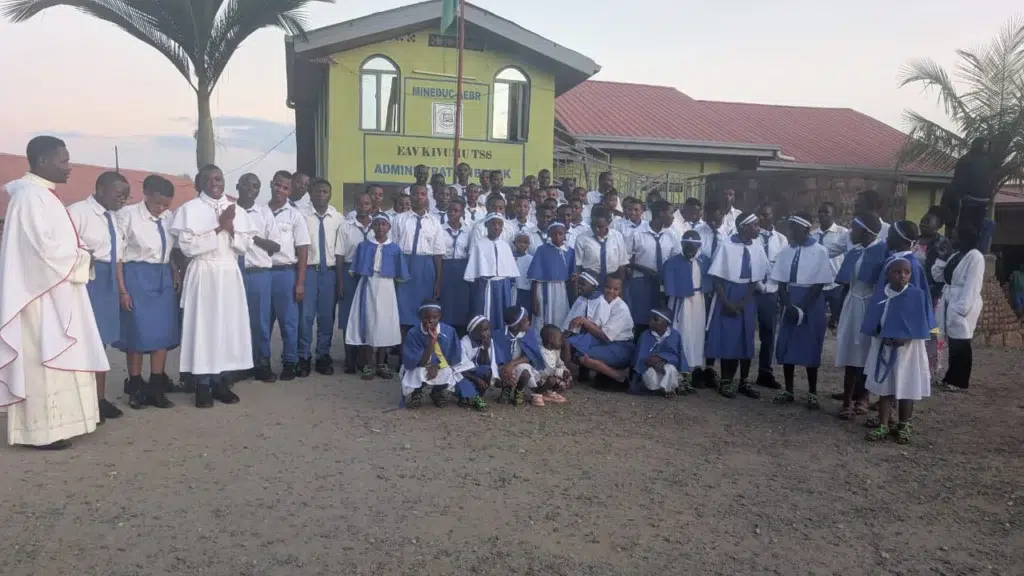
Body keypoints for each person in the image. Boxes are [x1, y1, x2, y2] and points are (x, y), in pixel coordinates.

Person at [0, 136, 109, 449]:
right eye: (63, 160)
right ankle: (40, 432)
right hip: (39, 296)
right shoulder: (28, 197)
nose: (69, 166)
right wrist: (82, 257)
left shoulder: (44, 195)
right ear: (43, 161)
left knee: (62, 356)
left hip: (59, 290)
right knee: (42, 360)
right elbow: (42, 251)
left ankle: (65, 424)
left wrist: (80, 253)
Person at [170, 164, 255, 407]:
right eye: (209, 180)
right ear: (200, 183)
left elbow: (245, 245)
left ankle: (221, 382)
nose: (215, 183)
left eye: (218, 179)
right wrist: (220, 226)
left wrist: (231, 227)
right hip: (204, 271)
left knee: (227, 327)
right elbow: (187, 247)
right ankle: (202, 384)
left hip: (228, 271)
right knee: (204, 327)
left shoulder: (237, 209)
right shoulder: (190, 209)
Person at [67, 170, 131, 422]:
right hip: (86, 280)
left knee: (101, 341)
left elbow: (118, 258)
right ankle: (79, 402)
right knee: (83, 340)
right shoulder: (78, 212)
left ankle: (99, 399)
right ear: (101, 189)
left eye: (126, 195)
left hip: (108, 281)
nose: (123, 199)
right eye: (118, 194)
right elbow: (65, 249)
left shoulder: (114, 217)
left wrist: (121, 289)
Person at [114, 174, 180, 409]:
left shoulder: (169, 217)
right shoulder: (127, 215)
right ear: (146, 195)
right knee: (137, 333)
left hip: (162, 276)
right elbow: (118, 256)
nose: (161, 208)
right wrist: (122, 290)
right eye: (157, 203)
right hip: (136, 275)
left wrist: (173, 270)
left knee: (162, 333)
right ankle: (135, 385)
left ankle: (156, 386)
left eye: (166, 205)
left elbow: (170, 249)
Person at [768, 213, 836, 409]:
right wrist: (787, 304)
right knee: (787, 344)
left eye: (793, 228)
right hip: (790, 299)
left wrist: (801, 307)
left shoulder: (820, 251)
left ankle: (812, 392)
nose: (790, 232)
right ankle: (789, 390)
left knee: (810, 345)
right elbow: (781, 281)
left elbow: (819, 283)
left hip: (811, 302)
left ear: (805, 229)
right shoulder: (786, 251)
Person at [863, 258, 933, 444]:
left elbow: (920, 323)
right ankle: (883, 424)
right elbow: (874, 320)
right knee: (885, 387)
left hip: (908, 350)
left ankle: (903, 424)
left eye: (906, 272)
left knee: (906, 385)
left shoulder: (917, 295)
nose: (902, 276)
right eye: (897, 272)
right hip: (884, 347)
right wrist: (881, 334)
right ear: (888, 274)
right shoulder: (881, 295)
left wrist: (906, 337)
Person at [704, 212, 769, 399]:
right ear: (744, 227)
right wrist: (727, 302)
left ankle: (744, 381)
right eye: (755, 225)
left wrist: (745, 300)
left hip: (747, 295)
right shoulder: (727, 245)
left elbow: (755, 277)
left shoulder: (757, 246)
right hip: (728, 294)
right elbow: (717, 278)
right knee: (729, 339)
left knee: (746, 337)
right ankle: (726, 380)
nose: (758, 229)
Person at [833, 214, 886, 419]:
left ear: (865, 231)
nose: (850, 232)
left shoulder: (882, 252)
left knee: (866, 351)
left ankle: (863, 398)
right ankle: (847, 400)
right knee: (850, 350)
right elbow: (846, 284)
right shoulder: (854, 251)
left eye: (854, 228)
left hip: (870, 304)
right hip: (852, 304)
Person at [345, 213, 408, 379]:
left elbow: (400, 272)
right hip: (368, 285)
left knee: (384, 324)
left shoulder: (394, 248)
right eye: (377, 224)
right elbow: (356, 269)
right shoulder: (364, 246)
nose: (380, 227)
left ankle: (381, 363)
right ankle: (368, 364)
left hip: (386, 287)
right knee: (368, 322)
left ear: (389, 227)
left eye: (384, 224)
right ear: (372, 227)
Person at [235, 173, 282, 382]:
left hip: (258, 274)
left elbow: (275, 246)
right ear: (238, 186)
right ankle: (237, 365)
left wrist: (252, 238)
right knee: (235, 320)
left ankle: (262, 363)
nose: (250, 189)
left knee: (260, 322)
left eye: (255, 186)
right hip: (233, 273)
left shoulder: (264, 213)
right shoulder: (229, 211)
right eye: (246, 185)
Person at [267, 170, 311, 380]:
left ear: (290, 190)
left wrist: (300, 283)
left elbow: (303, 250)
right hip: (263, 273)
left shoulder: (295, 215)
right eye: (277, 185)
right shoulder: (260, 212)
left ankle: (290, 362)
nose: (280, 190)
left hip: (285, 273)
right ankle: (260, 362)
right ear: (271, 184)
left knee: (289, 322)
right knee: (262, 321)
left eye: (285, 187)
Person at [933, 225, 985, 392]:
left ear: (964, 238)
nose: (950, 240)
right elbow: (938, 277)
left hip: (963, 304)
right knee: (951, 342)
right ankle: (949, 376)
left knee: (961, 342)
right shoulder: (955, 255)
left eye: (953, 237)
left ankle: (959, 381)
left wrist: (960, 310)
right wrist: (942, 258)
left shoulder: (975, 257)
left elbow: (973, 285)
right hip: (949, 299)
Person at [298, 177, 342, 377]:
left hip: (329, 273)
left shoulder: (338, 218)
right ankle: (304, 356)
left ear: (330, 194)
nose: (321, 195)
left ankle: (323, 356)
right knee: (305, 317)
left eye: (325, 191)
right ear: (311, 193)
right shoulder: (301, 215)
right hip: (308, 270)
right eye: (317, 191)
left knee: (326, 317)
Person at [563, 276, 636, 388]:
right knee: (570, 345)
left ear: (621, 291)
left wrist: (584, 321)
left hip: (620, 347)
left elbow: (605, 335)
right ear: (603, 286)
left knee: (583, 357)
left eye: (615, 289)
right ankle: (569, 375)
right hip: (603, 342)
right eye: (608, 287)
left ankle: (620, 379)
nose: (611, 291)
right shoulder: (600, 300)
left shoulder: (621, 309)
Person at [393, 184, 444, 333]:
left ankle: (422, 342)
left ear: (427, 197)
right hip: (404, 263)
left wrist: (437, 282)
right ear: (410, 196)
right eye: (415, 194)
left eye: (422, 194)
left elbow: (438, 254)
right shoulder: (399, 219)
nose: (419, 197)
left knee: (424, 309)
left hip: (425, 267)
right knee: (402, 307)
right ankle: (403, 344)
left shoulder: (434, 221)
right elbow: (393, 249)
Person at [663, 230, 707, 391]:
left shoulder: (703, 261)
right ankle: (678, 369)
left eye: (693, 247)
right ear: (681, 245)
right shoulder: (672, 262)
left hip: (698, 300)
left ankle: (693, 369)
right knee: (681, 332)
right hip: (680, 301)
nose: (690, 250)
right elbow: (667, 285)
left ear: (698, 246)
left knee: (696, 334)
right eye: (687, 246)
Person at [626, 200, 679, 337]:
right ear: (661, 213)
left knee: (661, 320)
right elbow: (626, 260)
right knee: (641, 320)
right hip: (641, 282)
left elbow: (675, 260)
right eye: (670, 213)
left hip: (663, 283)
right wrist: (645, 269)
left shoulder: (671, 235)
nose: (673, 217)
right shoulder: (637, 233)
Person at [335, 190, 374, 373]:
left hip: (371, 274)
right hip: (350, 272)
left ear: (372, 206)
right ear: (355, 205)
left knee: (368, 315)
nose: (363, 207)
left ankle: (364, 359)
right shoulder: (346, 226)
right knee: (349, 315)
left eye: (367, 203)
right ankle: (350, 357)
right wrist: (340, 282)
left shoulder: (378, 225)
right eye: (360, 203)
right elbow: (340, 255)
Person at [399, 299, 462, 408]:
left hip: (440, 365)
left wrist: (437, 366)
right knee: (417, 373)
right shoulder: (413, 333)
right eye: (426, 317)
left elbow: (452, 356)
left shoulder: (449, 331)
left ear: (440, 316)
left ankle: (437, 392)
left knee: (449, 372)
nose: (431, 321)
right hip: (419, 365)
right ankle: (417, 393)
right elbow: (415, 362)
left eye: (435, 317)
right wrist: (432, 341)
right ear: (420, 317)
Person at [749, 203, 786, 390]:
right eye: (759, 215)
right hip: (751, 290)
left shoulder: (781, 239)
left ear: (773, 216)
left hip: (770, 291)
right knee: (746, 331)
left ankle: (765, 372)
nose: (761, 219)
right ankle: (740, 373)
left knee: (769, 333)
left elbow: (783, 266)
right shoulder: (752, 236)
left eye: (765, 215)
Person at [464, 213, 518, 333]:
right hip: (485, 286)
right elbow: (473, 273)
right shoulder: (479, 245)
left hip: (502, 286)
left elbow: (510, 272)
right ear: (486, 225)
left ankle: (500, 336)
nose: (496, 227)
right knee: (484, 313)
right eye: (493, 224)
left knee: (502, 313)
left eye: (500, 224)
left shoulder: (505, 246)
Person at [915, 207, 951, 382]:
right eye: (922, 220)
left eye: (927, 222)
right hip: (913, 294)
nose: (922, 224)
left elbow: (941, 272)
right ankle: (915, 366)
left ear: (938, 226)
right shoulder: (913, 240)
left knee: (932, 332)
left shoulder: (942, 244)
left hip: (932, 296)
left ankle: (929, 370)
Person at [527, 221, 576, 333]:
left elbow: (572, 277)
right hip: (544, 287)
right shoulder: (542, 250)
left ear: (565, 234)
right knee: (543, 316)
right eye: (554, 234)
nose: (557, 237)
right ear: (549, 235)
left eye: (560, 233)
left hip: (562, 290)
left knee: (560, 315)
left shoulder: (570, 251)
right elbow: (535, 278)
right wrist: (534, 300)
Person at [492, 306, 545, 406]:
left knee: (525, 372)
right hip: (503, 367)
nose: (529, 322)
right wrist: (504, 368)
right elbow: (496, 358)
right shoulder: (499, 335)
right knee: (505, 372)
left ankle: (518, 391)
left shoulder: (529, 334)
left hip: (520, 363)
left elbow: (531, 356)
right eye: (525, 321)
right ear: (515, 326)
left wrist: (512, 363)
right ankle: (506, 390)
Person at [629, 308, 688, 397]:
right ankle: (656, 389)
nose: (651, 322)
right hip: (649, 367)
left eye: (656, 320)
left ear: (666, 323)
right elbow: (639, 358)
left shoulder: (675, 335)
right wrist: (651, 362)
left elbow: (677, 356)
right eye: (650, 319)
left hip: (667, 364)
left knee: (670, 369)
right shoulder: (645, 335)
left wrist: (662, 359)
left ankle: (667, 390)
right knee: (650, 375)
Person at [950, 138, 995, 251]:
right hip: (968, 200)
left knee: (982, 228)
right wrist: (961, 194)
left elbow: (991, 180)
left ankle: (979, 251)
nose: (986, 147)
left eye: (987, 144)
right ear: (977, 145)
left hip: (983, 201)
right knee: (967, 229)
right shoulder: (965, 160)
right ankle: (963, 249)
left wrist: (990, 195)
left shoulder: (988, 161)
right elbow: (958, 179)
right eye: (984, 144)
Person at [811, 202, 849, 331]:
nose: (822, 215)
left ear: (834, 214)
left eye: (826, 212)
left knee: (839, 321)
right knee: (816, 320)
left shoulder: (843, 233)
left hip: (836, 284)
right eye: (820, 212)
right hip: (817, 283)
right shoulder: (812, 235)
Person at [436, 197, 472, 332]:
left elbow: (470, 252)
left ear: (462, 213)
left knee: (461, 303)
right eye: (450, 210)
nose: (452, 213)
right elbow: (438, 254)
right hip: (445, 268)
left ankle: (461, 333)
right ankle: (445, 331)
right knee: (446, 302)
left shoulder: (468, 231)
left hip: (462, 269)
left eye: (456, 211)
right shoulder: (440, 229)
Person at [575, 205, 629, 289]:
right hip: (590, 280)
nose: (596, 229)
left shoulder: (617, 236)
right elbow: (577, 265)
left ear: (608, 223)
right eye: (593, 225)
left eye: (600, 226)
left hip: (612, 280)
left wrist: (619, 286)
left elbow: (622, 263)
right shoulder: (581, 238)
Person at [452, 315, 497, 411]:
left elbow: (486, 364)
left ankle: (478, 396)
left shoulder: (488, 341)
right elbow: (460, 369)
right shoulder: (463, 343)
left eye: (488, 329)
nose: (487, 333)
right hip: (463, 374)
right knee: (463, 383)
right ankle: (466, 398)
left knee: (488, 371)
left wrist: (485, 349)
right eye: (483, 330)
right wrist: (477, 380)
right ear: (472, 332)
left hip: (474, 372)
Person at [534, 324, 571, 404]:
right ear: (551, 339)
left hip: (552, 376)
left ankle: (550, 392)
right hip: (540, 378)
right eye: (560, 340)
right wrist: (558, 372)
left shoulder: (555, 351)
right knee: (552, 380)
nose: (561, 342)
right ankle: (537, 393)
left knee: (565, 381)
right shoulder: (540, 352)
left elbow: (560, 363)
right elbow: (542, 371)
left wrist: (565, 370)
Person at [512, 231, 534, 309]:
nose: (522, 244)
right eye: (519, 242)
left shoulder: (531, 259)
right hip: (512, 290)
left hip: (525, 292)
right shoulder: (509, 257)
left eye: (525, 242)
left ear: (529, 244)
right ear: (514, 243)